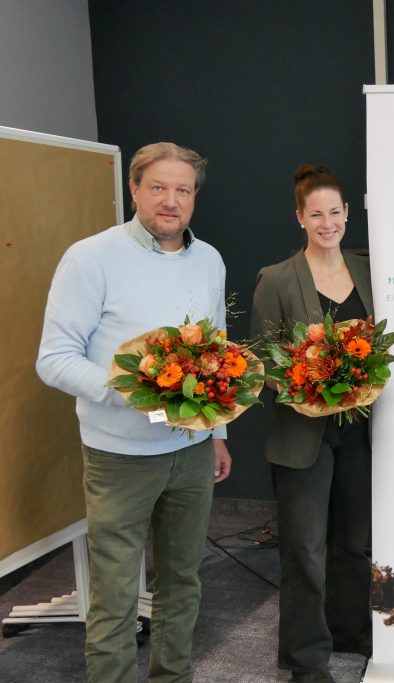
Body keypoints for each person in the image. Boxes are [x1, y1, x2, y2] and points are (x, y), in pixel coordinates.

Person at [36, 142, 232, 683]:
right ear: (134, 190)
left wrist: (215, 432)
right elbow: (53, 360)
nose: (171, 201)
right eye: (158, 188)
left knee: (183, 583)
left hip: (190, 453)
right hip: (119, 456)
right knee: (116, 595)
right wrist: (134, 389)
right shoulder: (90, 257)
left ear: (194, 196)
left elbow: (217, 356)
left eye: (183, 190)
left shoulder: (209, 259)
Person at [250, 164, 373, 683]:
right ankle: (304, 658)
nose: (328, 222)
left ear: (347, 214)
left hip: (362, 430)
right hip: (302, 432)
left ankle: (351, 632)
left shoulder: (369, 270)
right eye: (316, 213)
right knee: (304, 545)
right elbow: (264, 359)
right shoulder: (276, 279)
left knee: (355, 540)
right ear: (300, 217)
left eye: (335, 212)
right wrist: (310, 387)